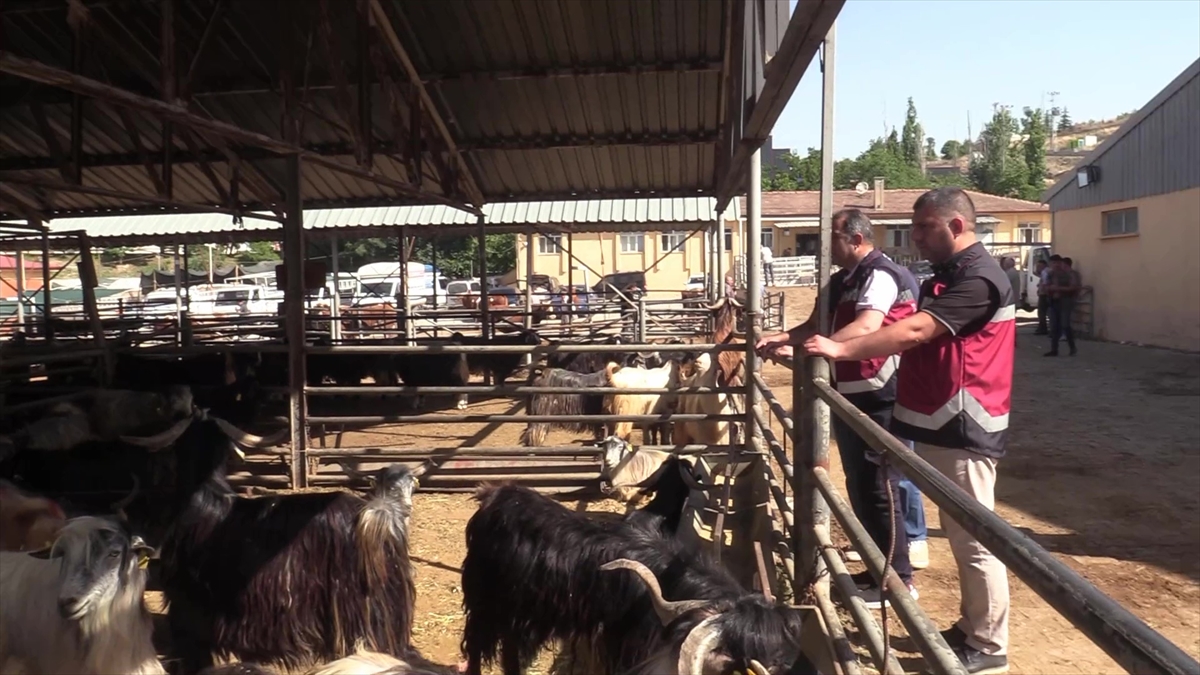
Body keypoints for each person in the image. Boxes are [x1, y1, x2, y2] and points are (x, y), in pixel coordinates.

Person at [803, 187, 1013, 674]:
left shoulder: (980, 279)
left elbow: (916, 332)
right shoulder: (949, 276)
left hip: (966, 425)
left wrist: (838, 350)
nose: (914, 237)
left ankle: (988, 648)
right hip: (939, 421)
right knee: (962, 536)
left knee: (974, 540)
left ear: (955, 226)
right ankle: (971, 628)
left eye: (923, 227)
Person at [756, 208, 926, 607]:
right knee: (861, 484)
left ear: (856, 238)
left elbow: (869, 325)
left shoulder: (880, 276)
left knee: (881, 486)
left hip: (882, 391)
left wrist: (829, 347)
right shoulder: (842, 281)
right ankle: (877, 567)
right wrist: (782, 338)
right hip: (853, 390)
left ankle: (898, 579)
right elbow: (816, 326)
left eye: (832, 235)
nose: (825, 243)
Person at [1045, 255, 1080, 356]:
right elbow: (1046, 287)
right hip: (1054, 301)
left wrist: (1058, 289)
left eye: (1058, 263)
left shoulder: (1069, 274)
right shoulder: (1050, 275)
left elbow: (1073, 287)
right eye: (1053, 263)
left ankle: (1072, 347)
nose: (1056, 265)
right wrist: (1050, 289)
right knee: (1054, 326)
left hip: (1066, 301)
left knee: (1065, 325)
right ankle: (1054, 349)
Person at [1033, 259, 1050, 335]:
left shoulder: (1045, 272)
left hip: (1044, 295)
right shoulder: (1045, 272)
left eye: (1039, 266)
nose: (1038, 268)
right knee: (1042, 312)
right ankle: (1042, 327)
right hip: (1044, 294)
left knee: (1042, 312)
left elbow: (1045, 283)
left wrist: (1042, 289)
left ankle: (1042, 328)